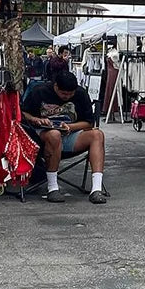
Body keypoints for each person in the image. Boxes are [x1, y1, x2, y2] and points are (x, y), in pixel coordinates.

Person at [22, 70, 107, 204]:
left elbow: (89, 122)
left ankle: (96, 189)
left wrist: (70, 127)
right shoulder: (39, 91)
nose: (66, 97)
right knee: (54, 134)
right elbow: (23, 114)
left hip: (70, 134)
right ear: (55, 86)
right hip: (42, 137)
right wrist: (37, 120)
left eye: (70, 94)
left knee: (97, 135)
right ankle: (52, 187)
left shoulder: (80, 94)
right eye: (63, 93)